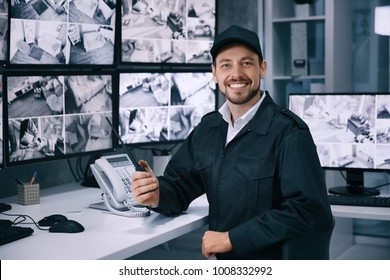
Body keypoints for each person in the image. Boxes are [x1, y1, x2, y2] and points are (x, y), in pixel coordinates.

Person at [131, 25, 334, 260]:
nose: (236, 74)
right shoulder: (208, 129)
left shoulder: (289, 132)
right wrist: (155, 195)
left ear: (263, 69)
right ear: (215, 73)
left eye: (247, 63)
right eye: (226, 65)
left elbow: (309, 212)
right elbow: (179, 186)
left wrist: (231, 239)